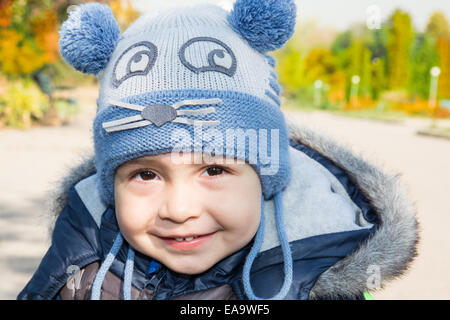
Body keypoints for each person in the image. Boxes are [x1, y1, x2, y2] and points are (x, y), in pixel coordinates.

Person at [18, 0, 419, 300]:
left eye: (214, 170)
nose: (179, 209)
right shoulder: (78, 261)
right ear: (111, 185)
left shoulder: (319, 275)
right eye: (145, 174)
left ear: (264, 178)